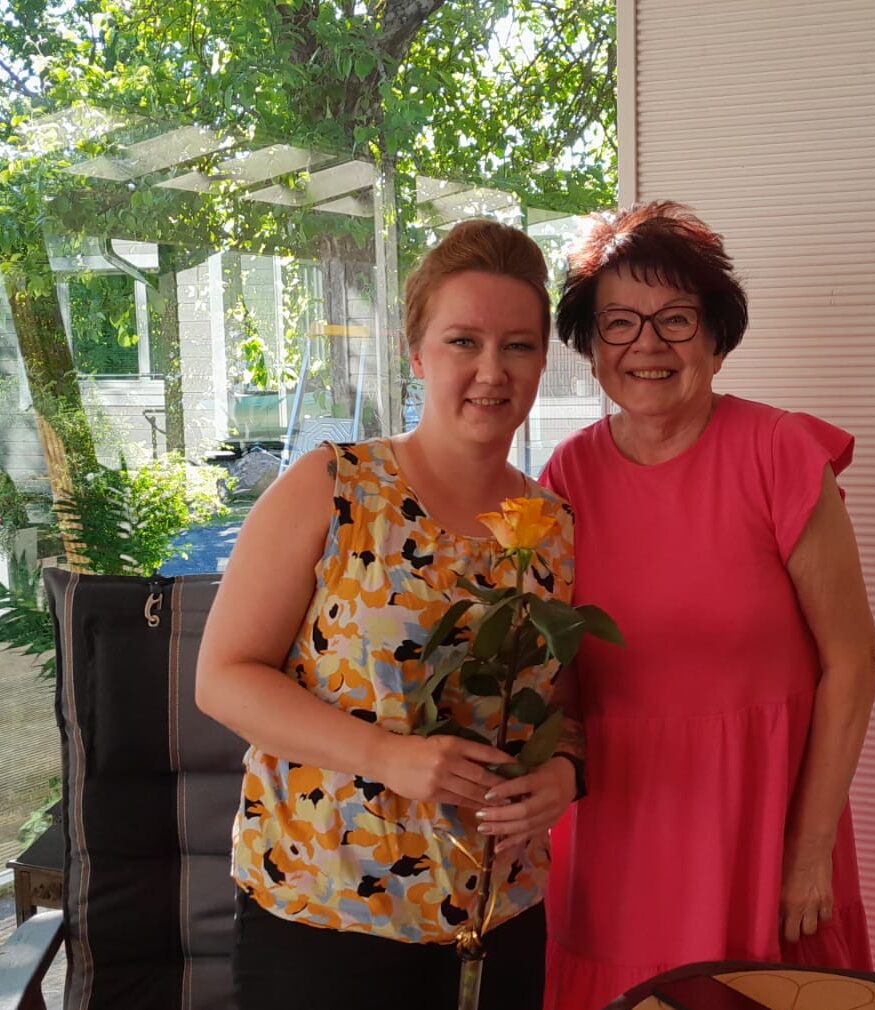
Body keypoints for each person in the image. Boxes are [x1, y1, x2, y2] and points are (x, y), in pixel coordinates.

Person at [196, 218, 583, 1010]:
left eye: (517, 346)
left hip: (497, 915)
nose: (491, 371)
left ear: (542, 362)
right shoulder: (333, 486)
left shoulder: (552, 527)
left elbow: (566, 705)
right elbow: (223, 679)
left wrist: (564, 774)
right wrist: (386, 754)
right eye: (462, 341)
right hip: (326, 916)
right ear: (416, 355)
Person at [539, 201, 875, 1010]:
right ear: (590, 346)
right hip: (618, 831)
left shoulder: (778, 454)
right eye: (618, 323)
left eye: (675, 319)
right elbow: (559, 683)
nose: (647, 345)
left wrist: (809, 850)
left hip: (760, 829)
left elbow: (852, 661)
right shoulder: (564, 478)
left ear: (716, 337)